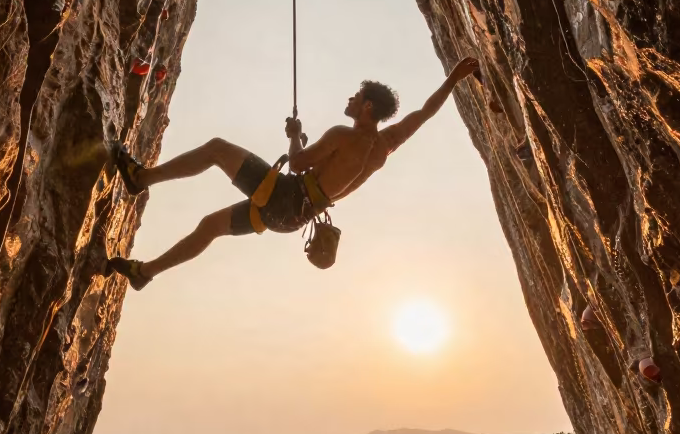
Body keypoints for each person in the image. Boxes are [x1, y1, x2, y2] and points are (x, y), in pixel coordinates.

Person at [105, 58, 481, 289]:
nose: (349, 100)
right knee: (211, 226)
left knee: (217, 149)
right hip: (292, 217)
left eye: (355, 97)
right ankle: (146, 272)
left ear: (366, 107)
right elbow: (425, 113)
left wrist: (294, 139)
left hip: (285, 195)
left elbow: (299, 164)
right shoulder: (384, 146)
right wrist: (453, 79)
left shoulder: (342, 135)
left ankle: (141, 179)